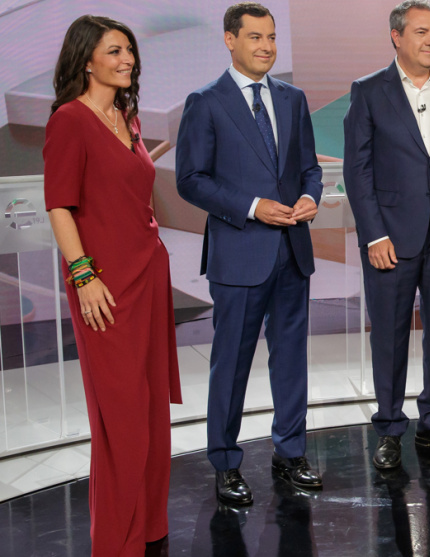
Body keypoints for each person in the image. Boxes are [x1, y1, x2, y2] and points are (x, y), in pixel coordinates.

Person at [176, 2, 325, 504]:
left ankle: (291, 452)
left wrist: (310, 197)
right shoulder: (205, 102)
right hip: (239, 255)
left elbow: (310, 168)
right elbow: (191, 180)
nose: (266, 46)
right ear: (230, 40)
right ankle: (225, 462)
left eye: (272, 37)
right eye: (255, 37)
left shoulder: (292, 98)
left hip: (292, 251)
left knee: (291, 359)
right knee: (232, 363)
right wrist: (253, 206)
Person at [44, 15, 181, 555]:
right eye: (114, 51)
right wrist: (83, 276)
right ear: (86, 60)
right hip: (103, 283)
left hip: (148, 273)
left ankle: (149, 526)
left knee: (149, 409)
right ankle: (117, 540)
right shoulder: (69, 121)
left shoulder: (128, 116)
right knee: (121, 414)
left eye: (129, 50)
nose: (127, 59)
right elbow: (59, 205)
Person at [342, 0, 430, 470]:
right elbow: (358, 171)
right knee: (389, 336)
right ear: (396, 36)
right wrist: (373, 235)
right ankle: (388, 428)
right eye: (422, 32)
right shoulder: (368, 91)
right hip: (390, 239)